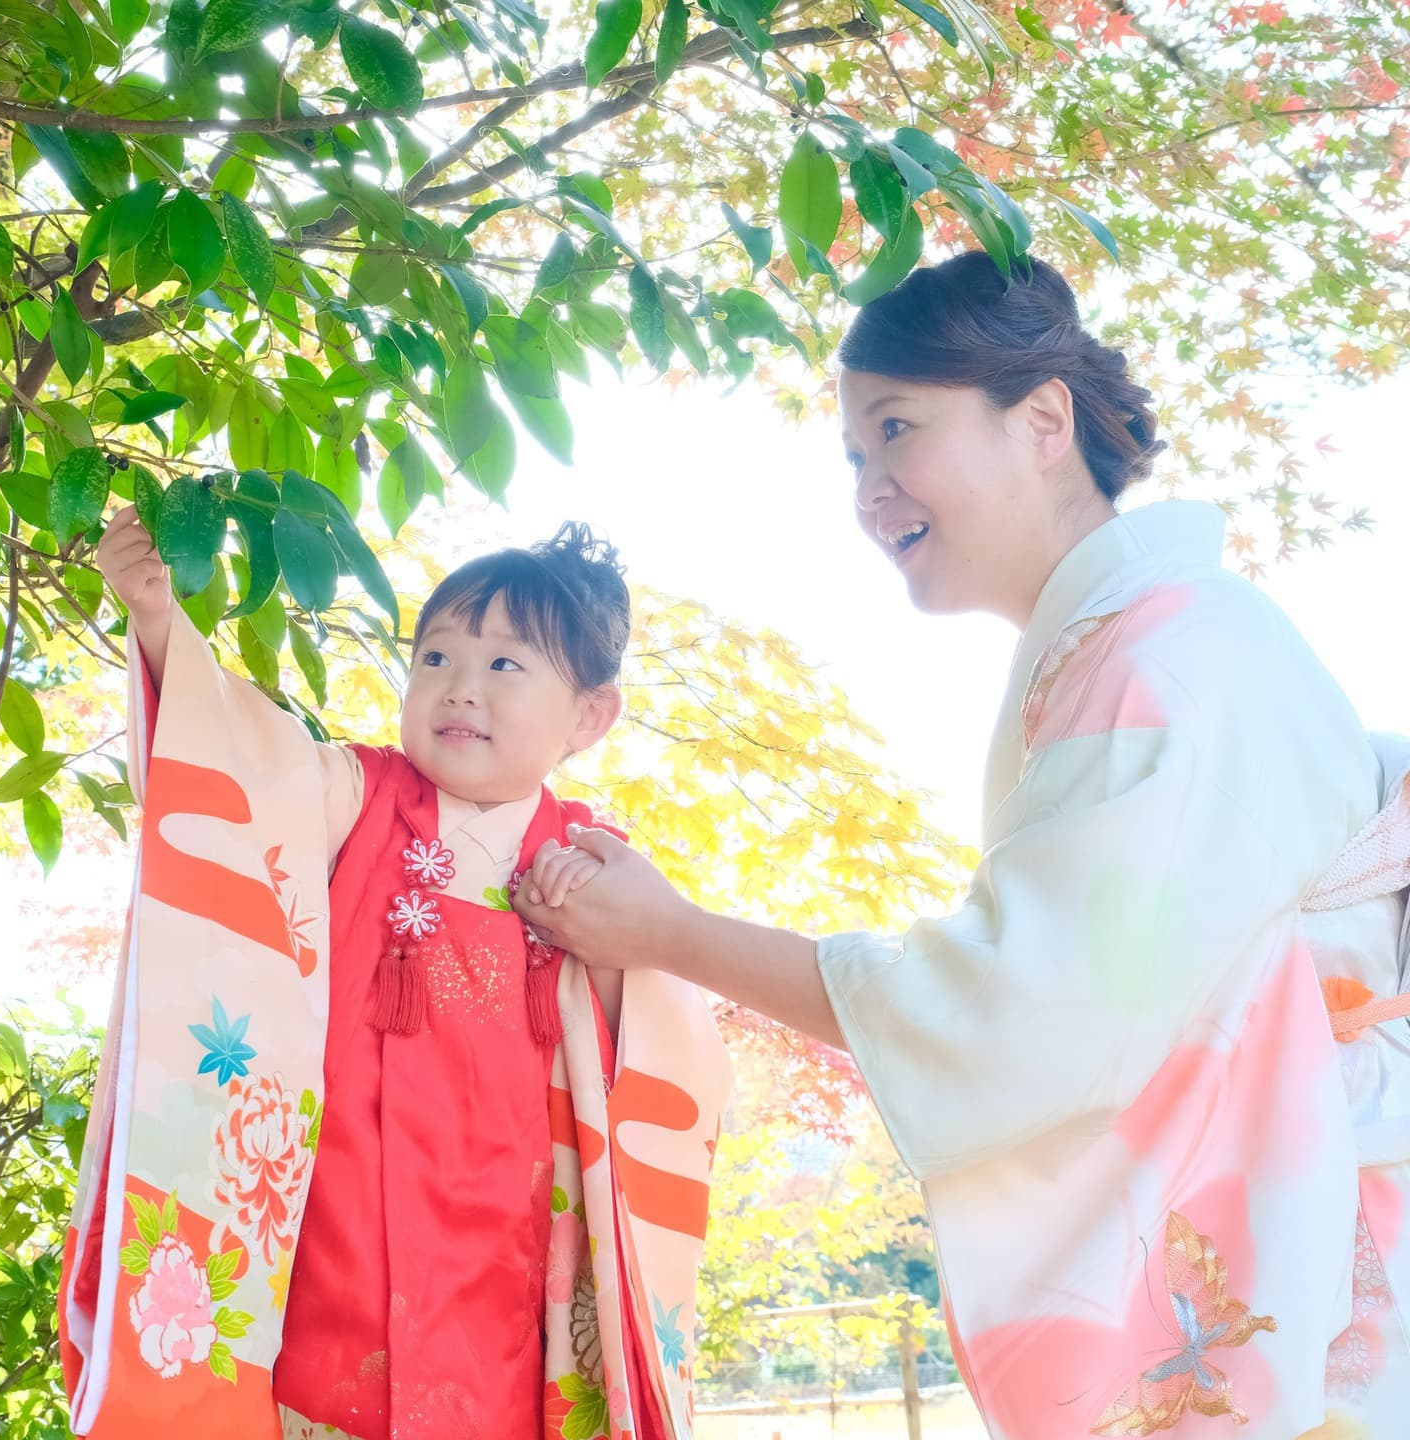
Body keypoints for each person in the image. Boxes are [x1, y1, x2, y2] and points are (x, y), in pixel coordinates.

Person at [515, 252, 1410, 1439]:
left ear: (1042, 422)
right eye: (853, 453)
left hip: (1320, 1252)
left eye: (897, 430)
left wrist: (672, 934)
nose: (870, 488)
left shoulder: (1168, 659)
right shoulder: (1147, 644)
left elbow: (1013, 1011)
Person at [64, 518, 727, 1440]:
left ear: (590, 716)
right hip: (336, 1232)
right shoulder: (352, 796)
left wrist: (609, 949)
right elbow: (236, 770)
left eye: (505, 665)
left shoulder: (593, 865)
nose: (460, 686)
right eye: (436, 656)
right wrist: (158, 619)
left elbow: (657, 1049)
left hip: (511, 1251)